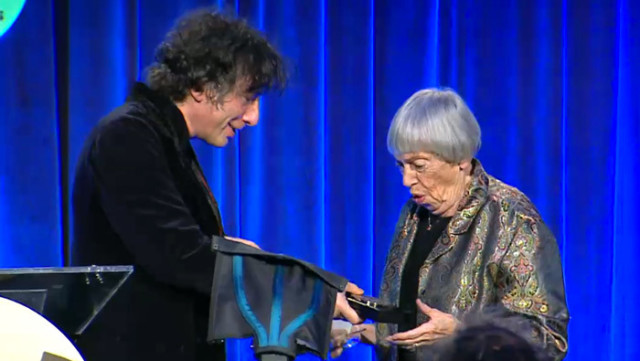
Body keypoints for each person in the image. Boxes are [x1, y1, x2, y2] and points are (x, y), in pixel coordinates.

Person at [71, 8, 362, 361]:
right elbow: (182, 257)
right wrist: (308, 299)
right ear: (201, 87)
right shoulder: (128, 136)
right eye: (248, 97)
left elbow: (196, 256)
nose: (253, 117)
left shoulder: (164, 140)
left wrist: (303, 309)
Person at [330, 88, 568, 361]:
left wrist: (460, 332)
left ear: (461, 160)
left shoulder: (512, 218)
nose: (406, 181)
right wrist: (357, 331)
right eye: (401, 165)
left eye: (418, 166)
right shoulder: (415, 212)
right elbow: (411, 323)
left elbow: (549, 337)